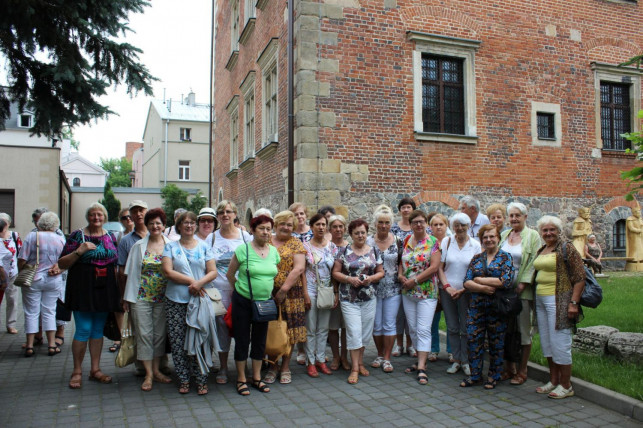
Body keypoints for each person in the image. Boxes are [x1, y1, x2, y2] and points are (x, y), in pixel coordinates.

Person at [58, 202, 121, 389]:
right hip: (82, 287)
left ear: (105, 217)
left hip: (105, 287)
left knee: (97, 329)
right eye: (93, 214)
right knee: (83, 329)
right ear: (88, 217)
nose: (96, 218)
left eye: (100, 215)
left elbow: (117, 262)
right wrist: (80, 251)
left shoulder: (111, 236)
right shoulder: (78, 235)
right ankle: (77, 371)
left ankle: (95, 369)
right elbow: (62, 263)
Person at [161, 211, 217, 395]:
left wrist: (200, 283)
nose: (189, 225)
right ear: (178, 226)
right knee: (178, 342)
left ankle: (201, 379)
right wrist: (191, 282)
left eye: (192, 222)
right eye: (185, 222)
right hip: (175, 301)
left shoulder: (204, 247)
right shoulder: (170, 247)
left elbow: (212, 272)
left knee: (200, 339)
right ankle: (184, 379)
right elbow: (168, 272)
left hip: (199, 300)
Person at [532, 215, 585, 399]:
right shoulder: (543, 249)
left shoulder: (566, 248)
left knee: (560, 342)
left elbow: (579, 277)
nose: (548, 233)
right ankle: (553, 380)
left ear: (558, 230)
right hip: (540, 301)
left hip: (559, 300)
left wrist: (573, 303)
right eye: (545, 230)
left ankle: (566, 384)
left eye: (552, 229)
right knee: (547, 342)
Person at [226, 214, 279, 396]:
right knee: (242, 340)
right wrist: (241, 292)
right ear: (253, 230)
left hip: (264, 302)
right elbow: (230, 274)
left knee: (259, 340)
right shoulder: (243, 250)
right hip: (243, 302)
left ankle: (256, 377)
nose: (266, 232)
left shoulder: (273, 251)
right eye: (262, 228)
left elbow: (272, 273)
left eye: (268, 228)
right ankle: (241, 378)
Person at [122, 208, 172, 391]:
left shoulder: (172, 245)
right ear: (147, 225)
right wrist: (126, 298)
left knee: (159, 335)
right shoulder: (138, 246)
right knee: (144, 335)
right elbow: (130, 274)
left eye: (158, 223)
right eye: (151, 223)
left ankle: (157, 370)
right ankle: (149, 374)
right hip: (140, 297)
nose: (155, 226)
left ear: (164, 225)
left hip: (164, 297)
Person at [460, 224, 515, 390]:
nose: (489, 240)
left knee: (496, 342)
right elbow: (466, 281)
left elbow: (505, 281)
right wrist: (483, 287)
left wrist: (479, 280)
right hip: (476, 307)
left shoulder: (506, 258)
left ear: (498, 237)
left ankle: (494, 375)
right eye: (485, 237)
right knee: (473, 340)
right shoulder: (477, 258)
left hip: (497, 308)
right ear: (481, 240)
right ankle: (475, 375)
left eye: (492, 236)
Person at [332, 218, 384, 385]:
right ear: (351, 234)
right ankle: (354, 368)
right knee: (354, 332)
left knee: (365, 333)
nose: (360, 235)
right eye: (357, 233)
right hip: (349, 298)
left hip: (369, 297)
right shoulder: (344, 251)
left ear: (366, 233)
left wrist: (371, 278)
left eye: (363, 232)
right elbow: (335, 273)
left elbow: (381, 272)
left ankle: (360, 362)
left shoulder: (374, 251)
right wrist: (349, 279)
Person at [207, 200, 252, 385]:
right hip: (218, 291)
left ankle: (243, 364)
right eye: (221, 212)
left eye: (228, 211)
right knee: (221, 329)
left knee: (243, 328)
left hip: (241, 291)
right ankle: (223, 366)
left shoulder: (245, 237)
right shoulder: (211, 238)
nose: (225, 215)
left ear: (235, 214)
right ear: (217, 217)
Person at [263, 210, 308, 385]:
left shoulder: (296, 243)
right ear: (276, 224)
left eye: (290, 225)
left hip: (291, 294)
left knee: (289, 330)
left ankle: (285, 367)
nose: (286, 227)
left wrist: (283, 290)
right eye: (283, 223)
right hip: (267, 292)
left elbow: (298, 269)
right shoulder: (266, 241)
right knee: (271, 328)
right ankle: (272, 366)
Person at [499, 202, 542, 385]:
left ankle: (523, 370)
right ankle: (509, 368)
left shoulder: (532, 236)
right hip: (503, 291)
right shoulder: (504, 235)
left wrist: (523, 283)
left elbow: (534, 261)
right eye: (511, 215)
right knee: (506, 331)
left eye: (518, 215)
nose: (514, 219)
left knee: (523, 331)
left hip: (521, 292)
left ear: (525, 217)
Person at [398, 210, 440, 385]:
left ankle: (422, 366)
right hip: (408, 293)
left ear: (426, 223)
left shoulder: (433, 242)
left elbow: (434, 267)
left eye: (422, 222)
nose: (418, 225)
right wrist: (401, 277)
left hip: (426, 292)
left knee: (423, 329)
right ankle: (419, 358)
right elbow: (401, 262)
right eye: (415, 222)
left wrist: (414, 281)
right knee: (413, 329)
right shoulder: (407, 240)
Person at [17, 212, 66, 356]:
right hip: (53, 279)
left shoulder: (33, 236)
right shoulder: (60, 239)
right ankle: (51, 344)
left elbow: (22, 259)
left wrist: (22, 270)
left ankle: (30, 345)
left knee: (31, 312)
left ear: (40, 223)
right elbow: (63, 261)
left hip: (33, 278)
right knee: (50, 311)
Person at [438, 213, 480, 375]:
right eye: (456, 225)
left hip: (466, 292)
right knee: (452, 326)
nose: (460, 228)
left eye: (463, 225)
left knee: (466, 327)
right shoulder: (447, 242)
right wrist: (447, 287)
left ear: (468, 226)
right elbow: (440, 267)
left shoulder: (475, 245)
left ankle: (466, 360)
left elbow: (476, 270)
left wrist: (464, 289)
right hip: (448, 291)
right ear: (452, 227)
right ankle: (456, 359)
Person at [366, 206, 401, 373]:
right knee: (376, 324)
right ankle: (379, 354)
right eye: (380, 222)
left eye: (387, 223)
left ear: (391, 224)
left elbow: (402, 263)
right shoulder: (368, 241)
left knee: (389, 323)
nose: (383, 226)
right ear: (375, 223)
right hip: (372, 288)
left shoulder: (398, 241)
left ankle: (387, 358)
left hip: (393, 288)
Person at [303, 213, 336, 377]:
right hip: (311, 289)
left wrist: (335, 292)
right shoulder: (305, 247)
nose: (321, 227)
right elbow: (302, 272)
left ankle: (321, 359)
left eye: (323, 224)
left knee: (323, 328)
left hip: (326, 291)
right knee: (310, 328)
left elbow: (336, 271)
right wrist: (305, 294)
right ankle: (310, 361)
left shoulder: (331, 247)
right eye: (318, 225)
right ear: (311, 227)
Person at [114, 200, 149, 357]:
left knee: (158, 331)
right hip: (135, 292)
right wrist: (123, 296)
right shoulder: (126, 241)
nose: (138, 214)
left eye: (141, 210)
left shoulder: (158, 235)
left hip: (157, 291)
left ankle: (159, 364)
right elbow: (121, 270)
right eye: (134, 212)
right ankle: (142, 365)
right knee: (140, 330)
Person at [390, 197, 419, 358]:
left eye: (409, 207)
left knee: (411, 314)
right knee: (398, 313)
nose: (406, 210)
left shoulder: (419, 227)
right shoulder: (394, 229)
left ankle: (411, 345)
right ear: (400, 210)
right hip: (397, 275)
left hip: (414, 276)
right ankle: (398, 344)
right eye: (403, 207)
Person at [427, 213, 452, 363]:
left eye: (441, 224)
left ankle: (451, 350)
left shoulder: (451, 242)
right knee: (433, 321)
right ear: (431, 227)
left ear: (446, 226)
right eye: (435, 225)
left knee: (450, 321)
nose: (438, 227)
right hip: (432, 286)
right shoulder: (429, 243)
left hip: (448, 286)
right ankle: (434, 349)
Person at [327, 214, 350, 371]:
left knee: (346, 326)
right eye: (334, 226)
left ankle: (345, 357)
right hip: (331, 290)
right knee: (333, 326)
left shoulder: (350, 246)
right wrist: (335, 291)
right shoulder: (327, 247)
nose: (338, 229)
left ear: (345, 228)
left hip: (348, 291)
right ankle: (335, 356)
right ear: (330, 229)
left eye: (340, 226)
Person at [0, 213, 21, 334]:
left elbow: (20, 250)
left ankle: (11, 324)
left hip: (12, 272)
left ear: (8, 223)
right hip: (1, 273)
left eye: (4, 221)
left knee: (12, 299)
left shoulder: (14, 235)